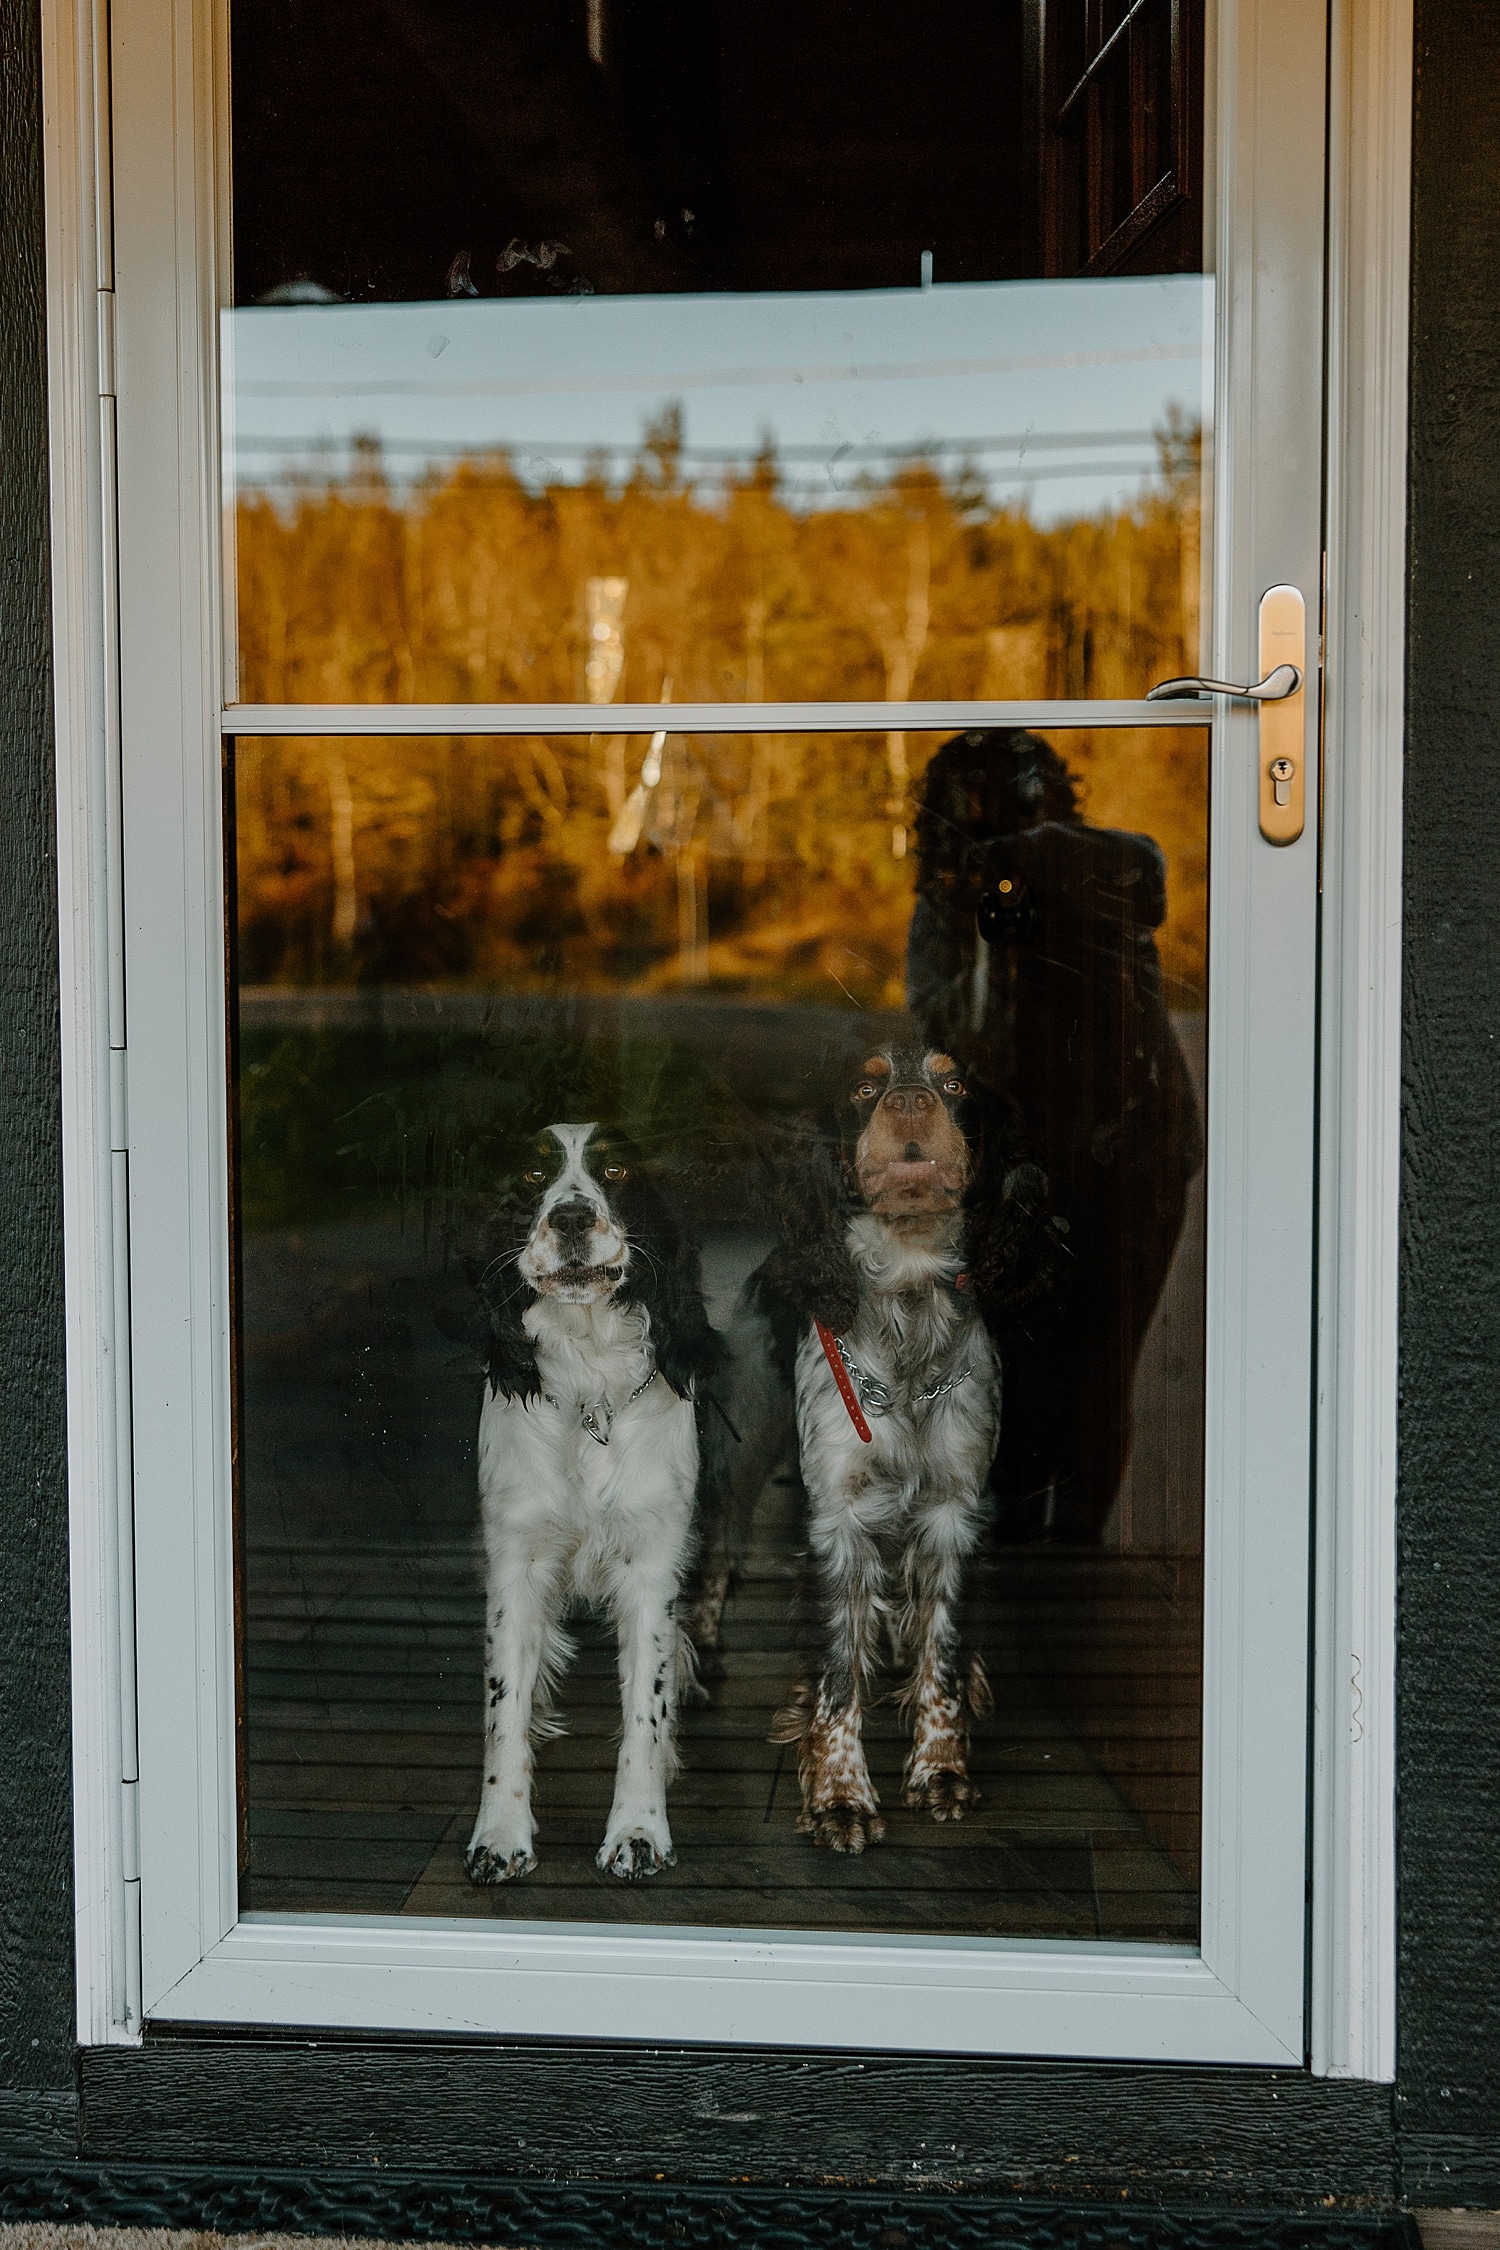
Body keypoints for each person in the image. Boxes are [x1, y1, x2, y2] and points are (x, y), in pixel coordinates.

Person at [906, 728, 1203, 1543]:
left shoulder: (1103, 879)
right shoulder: (947, 915)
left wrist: (1036, 856)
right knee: (1011, 1371)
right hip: (1017, 1160)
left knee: (1100, 1375)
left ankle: (1071, 1563)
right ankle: (1019, 1566)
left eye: (1021, 810)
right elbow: (956, 1041)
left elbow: (1145, 869)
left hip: (1132, 1150)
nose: (994, 840)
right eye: (975, 819)